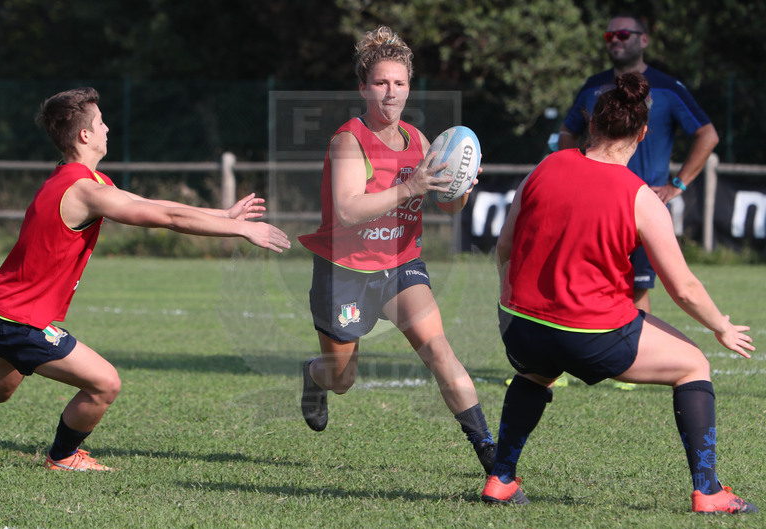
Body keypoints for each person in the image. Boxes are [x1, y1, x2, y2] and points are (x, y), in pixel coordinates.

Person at [0, 87, 291, 471]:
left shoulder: (81, 180)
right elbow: (168, 219)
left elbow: (148, 204)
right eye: (101, 122)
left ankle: (63, 454)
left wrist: (222, 215)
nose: (107, 128)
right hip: (19, 320)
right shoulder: (84, 190)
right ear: (85, 135)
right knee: (105, 384)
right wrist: (241, 230)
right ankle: (64, 456)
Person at [481, 72, 757, 514]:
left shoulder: (543, 168)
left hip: (525, 329)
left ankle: (501, 478)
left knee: (536, 372)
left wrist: (508, 303)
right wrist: (721, 327)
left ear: (591, 126)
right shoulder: (640, 197)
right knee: (695, 365)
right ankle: (708, 491)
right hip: (592, 337)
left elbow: (504, 247)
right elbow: (683, 288)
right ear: (642, 133)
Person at [297, 26, 495, 474]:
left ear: (409, 87)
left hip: (401, 264)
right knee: (342, 379)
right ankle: (314, 374)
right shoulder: (349, 140)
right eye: (381, 83)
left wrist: (462, 186)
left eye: (399, 83)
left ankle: (491, 455)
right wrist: (410, 187)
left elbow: (449, 206)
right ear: (363, 88)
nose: (391, 92)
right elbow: (348, 210)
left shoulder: (419, 141)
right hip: (344, 271)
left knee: (439, 350)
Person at [558, 14, 719, 314]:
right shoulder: (593, 86)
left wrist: (677, 184)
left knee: (634, 291)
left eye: (622, 34)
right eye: (609, 36)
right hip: (594, 203)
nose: (615, 40)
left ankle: (634, 343)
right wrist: (573, 173)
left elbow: (707, 135)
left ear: (643, 40)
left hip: (639, 207)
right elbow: (567, 131)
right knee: (584, 282)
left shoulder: (668, 88)